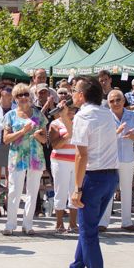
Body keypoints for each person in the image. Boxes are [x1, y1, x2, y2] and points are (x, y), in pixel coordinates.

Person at [66, 76, 118, 268]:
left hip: (93, 177)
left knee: (88, 231)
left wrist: (77, 188)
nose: (71, 94)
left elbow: (81, 154)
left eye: (74, 91)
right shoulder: (108, 113)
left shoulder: (83, 116)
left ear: (82, 95)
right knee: (88, 228)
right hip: (110, 175)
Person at [2, 83, 48, 235]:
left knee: (33, 191)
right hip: (17, 157)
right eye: (19, 95)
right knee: (14, 191)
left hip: (35, 157)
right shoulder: (10, 115)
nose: (23, 98)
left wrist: (37, 135)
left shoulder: (38, 115)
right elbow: (6, 139)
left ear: (30, 96)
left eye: (25, 94)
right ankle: (10, 224)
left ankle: (28, 224)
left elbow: (45, 139)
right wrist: (23, 131)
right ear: (14, 99)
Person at [103, 90, 134, 231]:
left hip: (127, 157)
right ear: (108, 103)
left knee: (126, 190)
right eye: (112, 101)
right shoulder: (105, 116)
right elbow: (101, 138)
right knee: (108, 190)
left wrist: (133, 136)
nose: (116, 103)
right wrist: (117, 132)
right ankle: (103, 222)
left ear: (124, 100)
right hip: (110, 158)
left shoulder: (132, 115)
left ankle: (126, 222)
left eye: (118, 99)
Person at [49, 100, 79, 233]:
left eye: (73, 108)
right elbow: (55, 145)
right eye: (68, 108)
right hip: (60, 161)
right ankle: (59, 223)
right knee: (60, 191)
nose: (71, 110)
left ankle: (73, 224)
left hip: (77, 161)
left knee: (75, 191)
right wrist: (67, 136)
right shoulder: (55, 124)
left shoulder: (79, 122)